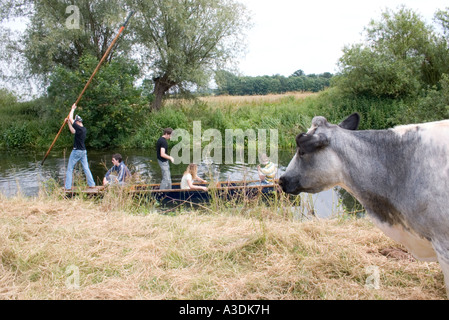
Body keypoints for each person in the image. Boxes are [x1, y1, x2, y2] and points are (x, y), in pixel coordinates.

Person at [65, 103, 96, 190]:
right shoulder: (83, 129)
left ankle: (67, 187)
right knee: (86, 168)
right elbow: (73, 131)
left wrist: (73, 109)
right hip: (83, 151)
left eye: (76, 121)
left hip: (76, 151)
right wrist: (68, 122)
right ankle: (92, 184)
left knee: (69, 169)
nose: (75, 122)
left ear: (78, 122)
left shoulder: (79, 128)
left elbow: (71, 118)